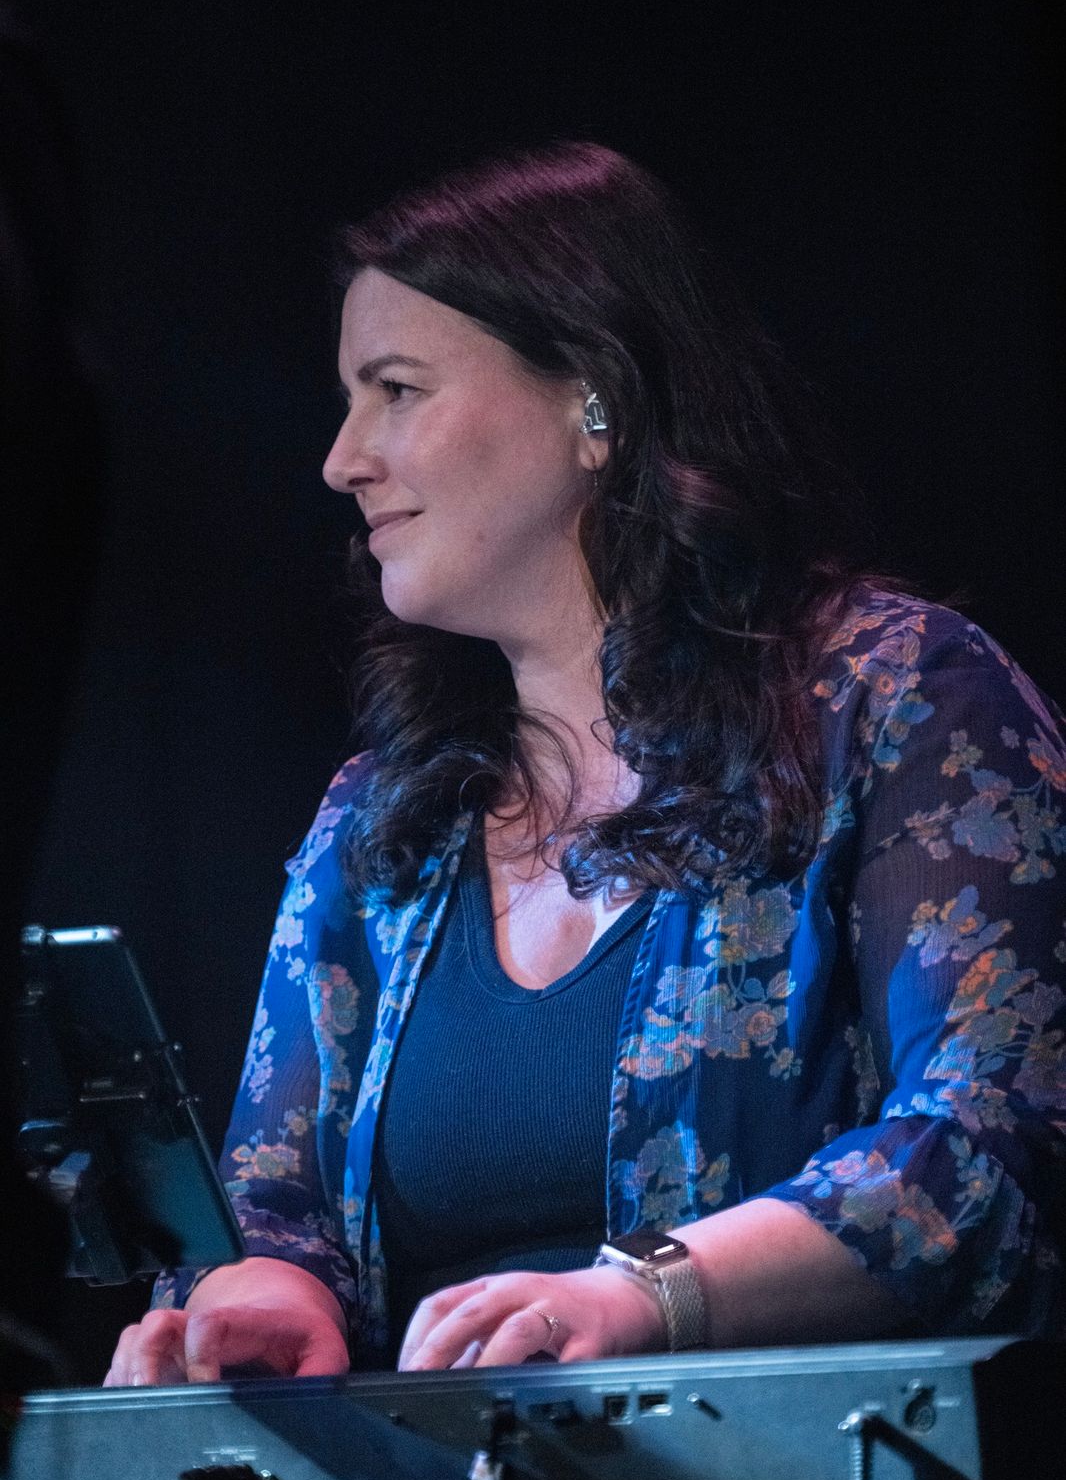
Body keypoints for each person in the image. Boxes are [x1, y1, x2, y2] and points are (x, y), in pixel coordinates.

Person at [104, 141, 1066, 1387]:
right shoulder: (378, 816)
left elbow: (991, 1144)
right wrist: (267, 1296)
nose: (343, 458)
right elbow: (276, 1206)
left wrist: (647, 1295)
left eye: (395, 390)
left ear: (593, 402)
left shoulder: (896, 699)